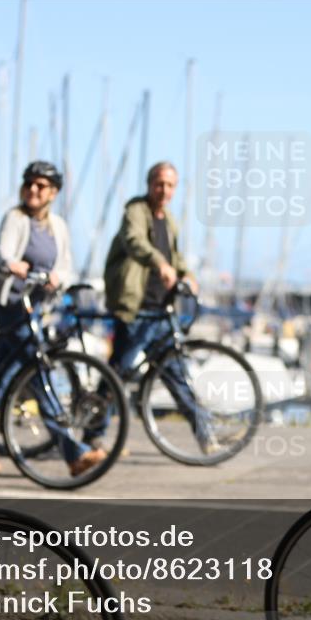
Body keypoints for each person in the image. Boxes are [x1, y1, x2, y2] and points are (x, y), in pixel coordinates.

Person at [0, 160, 106, 475]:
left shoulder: (58, 226)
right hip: (12, 304)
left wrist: (56, 278)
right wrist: (13, 264)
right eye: (29, 184)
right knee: (36, 373)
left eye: (41, 186)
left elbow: (65, 264)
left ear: (53, 192)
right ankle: (73, 453)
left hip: (37, 307)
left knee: (1, 379)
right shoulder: (15, 218)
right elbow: (2, 254)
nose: (33, 190)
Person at [102, 161, 215, 451]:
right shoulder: (135, 211)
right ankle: (93, 436)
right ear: (149, 184)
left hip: (163, 309)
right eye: (159, 184)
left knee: (176, 374)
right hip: (135, 307)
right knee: (119, 373)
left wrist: (187, 274)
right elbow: (134, 241)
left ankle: (206, 435)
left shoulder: (170, 220)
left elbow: (175, 257)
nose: (164, 190)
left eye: (170, 185)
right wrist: (160, 264)